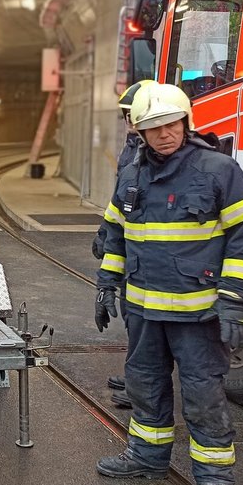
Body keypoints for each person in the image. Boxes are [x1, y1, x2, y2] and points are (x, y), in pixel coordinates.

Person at [93, 82, 243, 485]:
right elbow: (116, 233)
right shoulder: (130, 174)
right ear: (140, 132)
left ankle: (215, 481)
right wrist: (107, 282)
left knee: (203, 395)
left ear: (185, 122)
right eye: (153, 128)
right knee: (144, 385)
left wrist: (231, 299)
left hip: (198, 312)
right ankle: (147, 457)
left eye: (170, 124)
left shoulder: (217, 170)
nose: (164, 134)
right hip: (145, 312)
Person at [92, 79, 155, 409]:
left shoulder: (148, 150)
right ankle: (136, 376)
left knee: (143, 320)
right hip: (132, 247)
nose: (128, 123)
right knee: (134, 316)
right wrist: (106, 229)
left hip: (149, 253)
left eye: (132, 115)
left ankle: (141, 384)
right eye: (125, 116)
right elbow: (121, 197)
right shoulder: (134, 145)